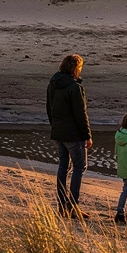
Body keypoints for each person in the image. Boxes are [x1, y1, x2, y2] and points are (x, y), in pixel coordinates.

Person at [46, 53, 92, 218]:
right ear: (75, 68)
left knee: (63, 168)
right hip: (73, 135)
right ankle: (73, 206)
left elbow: (49, 109)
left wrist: (55, 127)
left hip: (59, 132)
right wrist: (87, 135)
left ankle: (62, 205)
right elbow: (81, 115)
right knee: (79, 167)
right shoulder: (75, 88)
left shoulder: (53, 84)